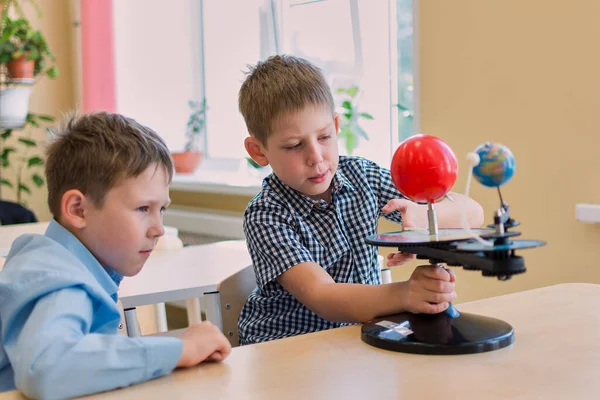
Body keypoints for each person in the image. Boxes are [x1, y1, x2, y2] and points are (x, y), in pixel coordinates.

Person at [237, 55, 484, 345]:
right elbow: (323, 296)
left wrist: (419, 217)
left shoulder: (362, 176)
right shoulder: (266, 214)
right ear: (258, 151)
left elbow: (473, 213)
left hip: (354, 340)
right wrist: (406, 294)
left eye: (325, 137)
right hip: (285, 348)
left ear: (336, 126)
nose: (316, 157)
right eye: (294, 146)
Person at [0, 112, 231, 399]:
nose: (158, 228)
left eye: (162, 209)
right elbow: (47, 367)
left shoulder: (54, 259)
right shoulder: (62, 283)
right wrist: (180, 348)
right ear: (78, 210)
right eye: (143, 209)